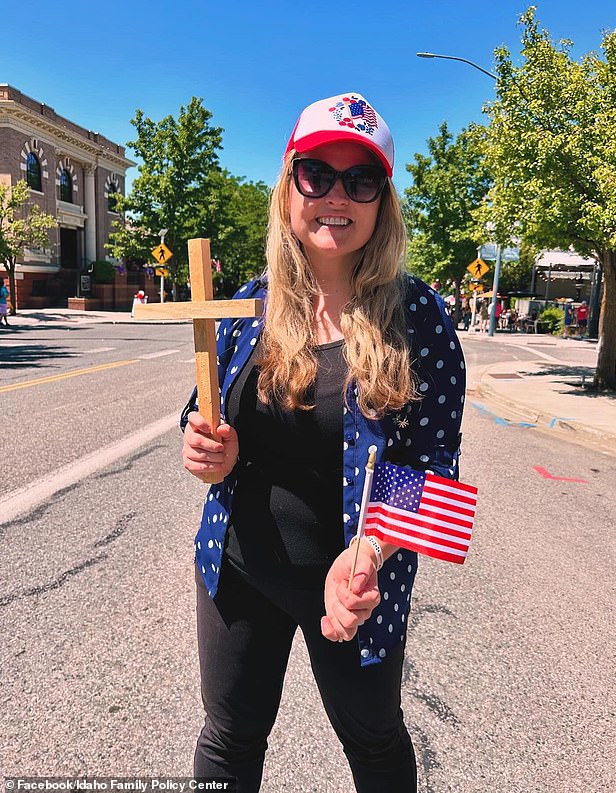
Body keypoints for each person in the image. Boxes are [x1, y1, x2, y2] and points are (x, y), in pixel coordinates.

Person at [181, 92, 466, 792]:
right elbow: (203, 411)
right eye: (317, 173)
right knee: (229, 737)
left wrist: (368, 554)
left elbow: (437, 473)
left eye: (360, 179)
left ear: (382, 202)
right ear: (289, 189)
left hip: (357, 585)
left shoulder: (419, 317)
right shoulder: (246, 308)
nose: (337, 195)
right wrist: (210, 447)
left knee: (373, 743)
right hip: (239, 569)